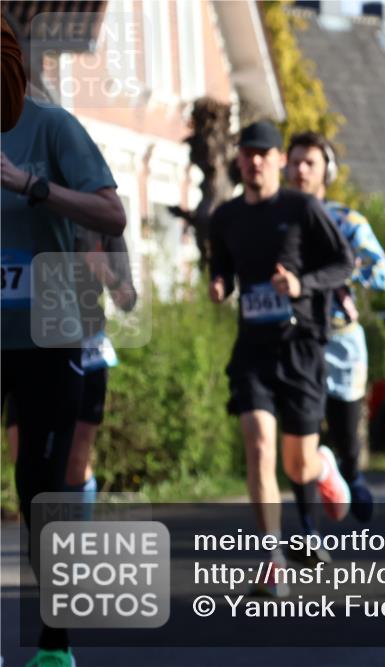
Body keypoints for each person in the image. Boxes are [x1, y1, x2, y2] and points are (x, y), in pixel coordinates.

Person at [2, 90, 127, 666]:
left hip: (51, 341)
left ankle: (55, 645)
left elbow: (113, 215)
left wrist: (32, 185)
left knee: (41, 486)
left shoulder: (52, 128)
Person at [208, 121, 355, 596]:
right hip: (253, 348)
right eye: (246, 154)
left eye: (263, 154)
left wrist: (301, 285)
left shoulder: (302, 208)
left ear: (277, 161)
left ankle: (323, 468)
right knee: (257, 443)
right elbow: (223, 267)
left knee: (298, 464)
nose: (253, 162)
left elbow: (343, 263)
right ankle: (272, 558)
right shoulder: (226, 217)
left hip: (302, 348)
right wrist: (219, 285)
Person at [284, 131, 385, 563]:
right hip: (294, 342)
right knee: (299, 437)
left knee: (346, 438)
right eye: (294, 162)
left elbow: (383, 276)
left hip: (341, 343)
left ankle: (348, 470)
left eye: (310, 162)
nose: (300, 170)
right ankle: (308, 530)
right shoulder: (277, 219)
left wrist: (344, 269)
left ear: (325, 171)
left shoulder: (347, 221)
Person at [6, 230, 137, 505]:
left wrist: (107, 275)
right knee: (25, 462)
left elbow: (127, 300)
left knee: (74, 462)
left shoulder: (98, 220)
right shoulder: (28, 212)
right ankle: (41, 537)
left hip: (87, 350)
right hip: (30, 351)